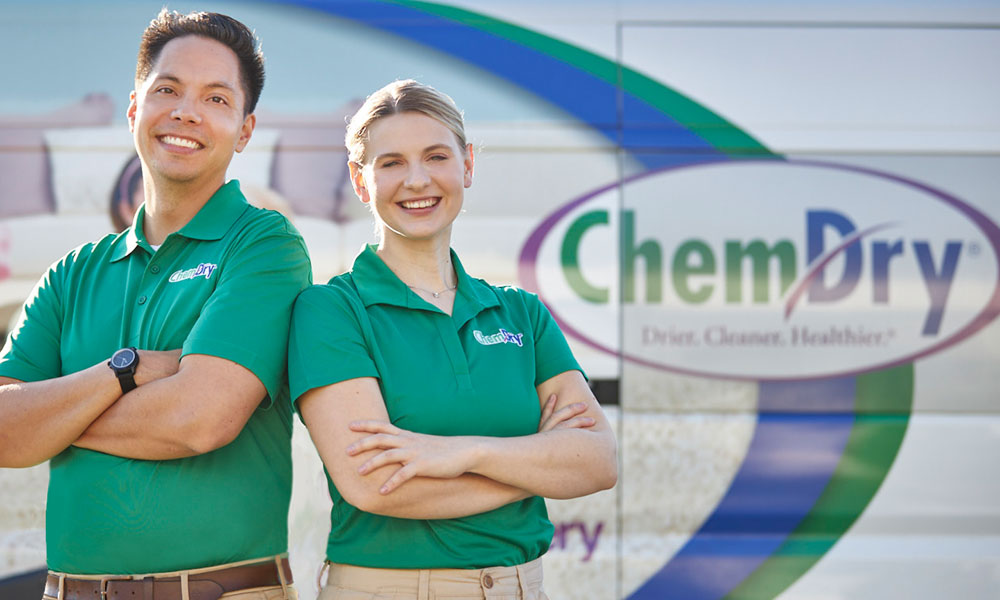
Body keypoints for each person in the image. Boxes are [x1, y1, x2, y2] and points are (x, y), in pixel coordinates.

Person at [0, 9, 311, 600]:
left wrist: (54, 418)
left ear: (245, 131)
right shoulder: (72, 273)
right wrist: (130, 370)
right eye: (167, 89)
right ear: (134, 109)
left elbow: (201, 419)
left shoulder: (265, 244)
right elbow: (4, 435)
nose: (186, 112)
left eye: (216, 99)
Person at [289, 80, 618, 600]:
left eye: (435, 157)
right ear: (360, 180)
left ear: (467, 164)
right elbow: (374, 483)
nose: (416, 181)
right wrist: (540, 465)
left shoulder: (521, 313)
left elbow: (599, 461)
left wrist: (462, 453)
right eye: (391, 163)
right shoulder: (332, 311)